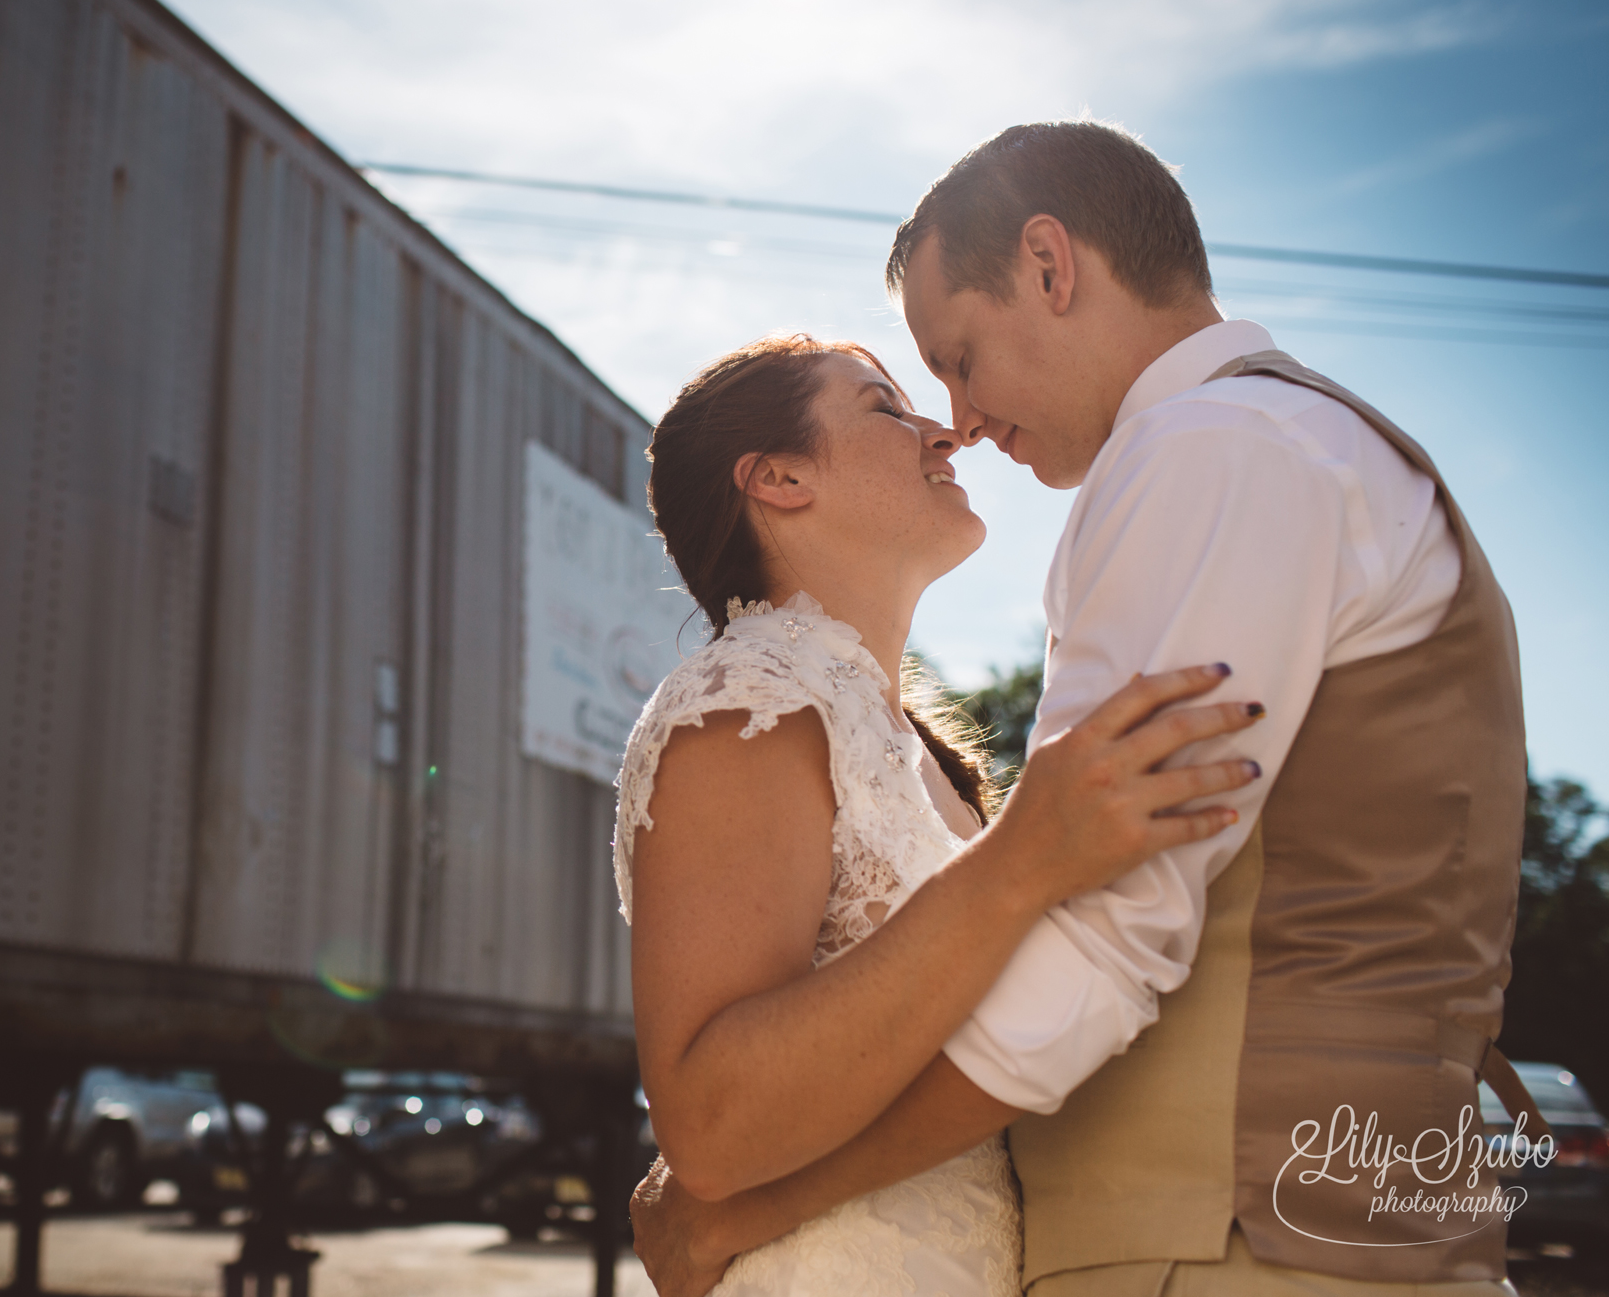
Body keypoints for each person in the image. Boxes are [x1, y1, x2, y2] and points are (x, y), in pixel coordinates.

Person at [630, 121, 1532, 1297]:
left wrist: (751, 1204)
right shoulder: (1274, 444)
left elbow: (1107, 935)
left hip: (1228, 1237)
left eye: (956, 356)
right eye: (911, 392)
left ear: (1050, 267)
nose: (957, 416)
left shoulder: (1212, 448)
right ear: (778, 478)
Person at [616, 330, 1262, 1295]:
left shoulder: (911, 741)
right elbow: (710, 1127)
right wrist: (1022, 862)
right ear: (781, 478)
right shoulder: (744, 699)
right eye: (885, 406)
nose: (945, 433)